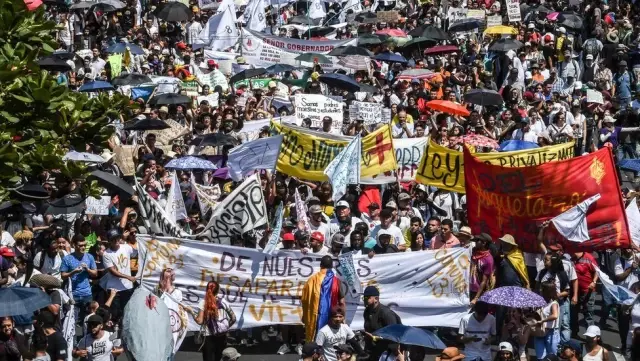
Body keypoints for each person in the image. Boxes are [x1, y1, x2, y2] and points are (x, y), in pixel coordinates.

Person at [302, 256, 344, 342]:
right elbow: (342, 302)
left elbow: (304, 300)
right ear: (332, 266)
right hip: (332, 317)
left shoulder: (311, 280)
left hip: (314, 318)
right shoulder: (337, 281)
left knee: (315, 340)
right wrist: (343, 317)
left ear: (320, 265)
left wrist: (305, 315)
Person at [192, 281, 237, 361]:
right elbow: (233, 318)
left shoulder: (203, 303)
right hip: (221, 336)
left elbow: (200, 321)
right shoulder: (223, 302)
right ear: (218, 290)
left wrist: (191, 312)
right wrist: (224, 328)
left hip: (208, 337)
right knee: (220, 358)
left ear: (207, 290)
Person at [60, 234, 97, 323]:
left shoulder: (89, 257)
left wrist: (88, 269)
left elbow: (95, 274)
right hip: (73, 294)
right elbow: (63, 275)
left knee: (88, 320)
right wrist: (74, 272)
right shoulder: (67, 259)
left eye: (84, 245)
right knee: (72, 321)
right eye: (80, 245)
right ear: (74, 245)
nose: (83, 247)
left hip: (86, 293)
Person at [362, 285, 399, 360]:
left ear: (376, 298)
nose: (365, 300)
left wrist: (375, 337)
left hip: (384, 353)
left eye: (367, 298)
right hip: (371, 351)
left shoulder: (386, 313)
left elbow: (394, 335)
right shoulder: (367, 311)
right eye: (364, 298)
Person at [533, 281, 560, 360]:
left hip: (551, 333)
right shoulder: (540, 303)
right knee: (540, 357)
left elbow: (555, 315)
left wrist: (543, 321)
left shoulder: (554, 303)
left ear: (548, 291)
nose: (540, 290)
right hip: (540, 331)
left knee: (551, 356)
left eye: (542, 288)